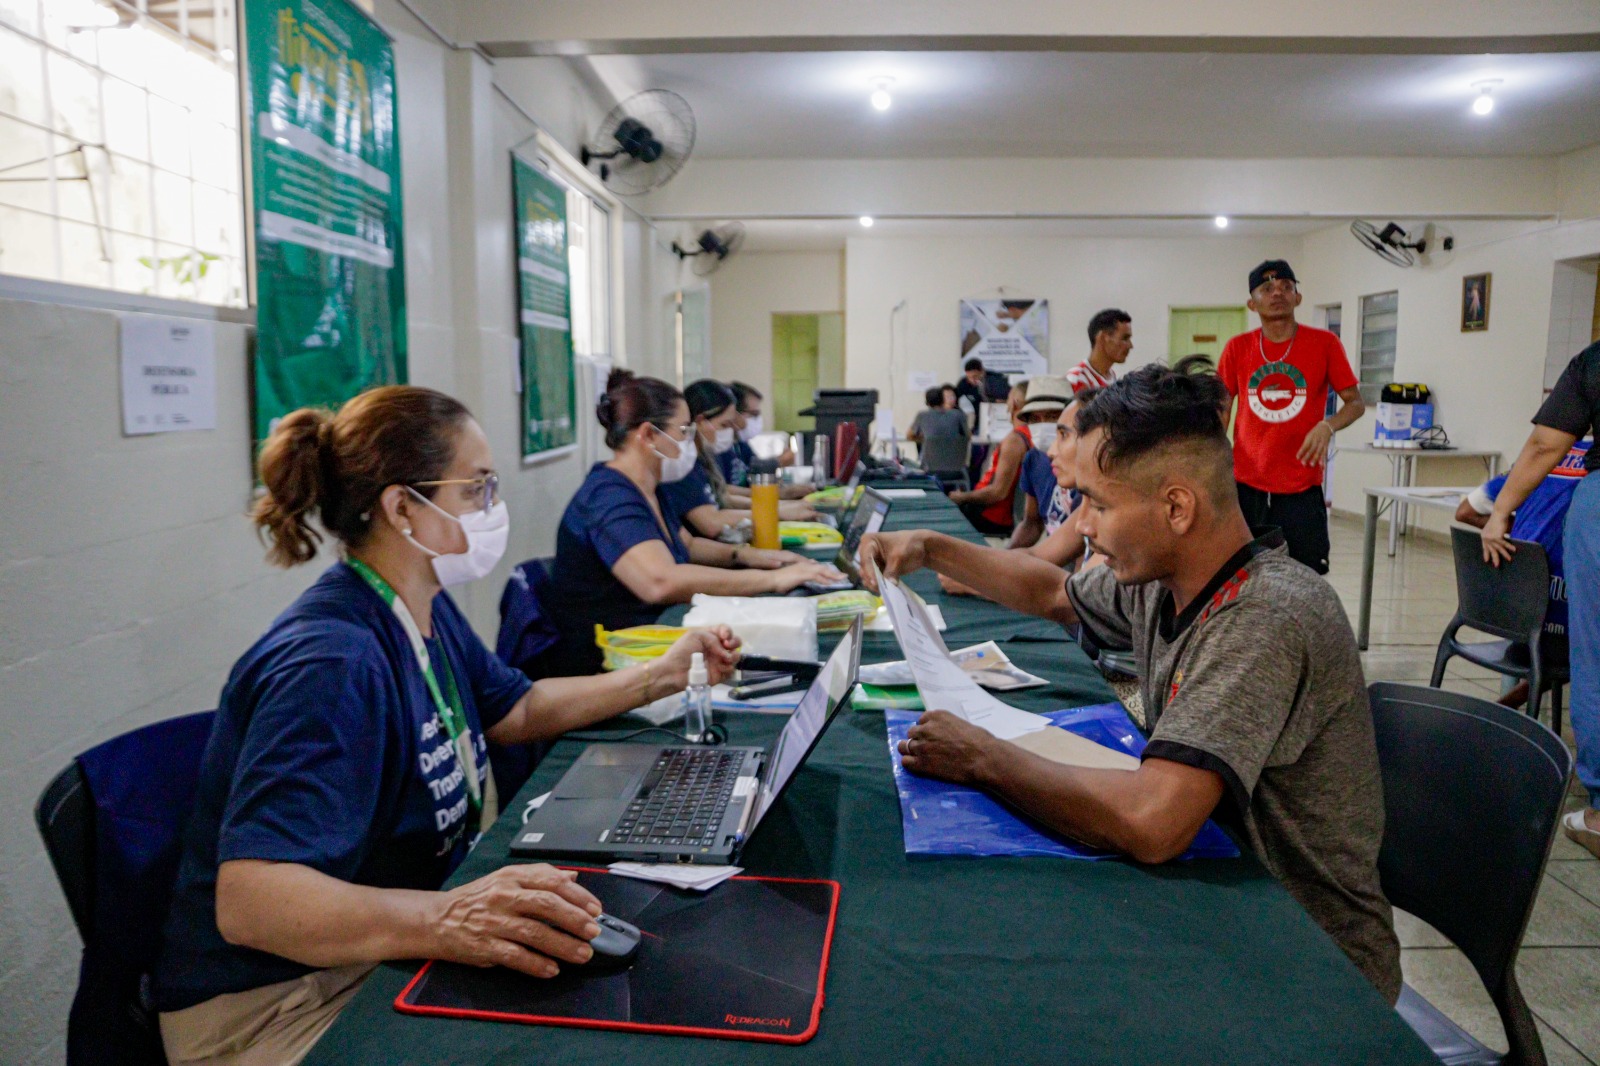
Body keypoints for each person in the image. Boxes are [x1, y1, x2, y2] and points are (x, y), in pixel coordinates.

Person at [153, 386, 744, 1065]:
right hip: (274, 1007)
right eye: (478, 488)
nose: (494, 507)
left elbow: (515, 709)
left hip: (369, 952)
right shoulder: (333, 661)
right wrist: (450, 919)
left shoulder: (419, 604)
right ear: (403, 507)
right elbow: (253, 902)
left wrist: (662, 675)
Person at [858, 360, 1402, 1002]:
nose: (1082, 525)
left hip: (1307, 961)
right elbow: (1055, 592)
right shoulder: (1170, 577)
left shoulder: (1262, 619)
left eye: (1098, 503)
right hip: (1222, 900)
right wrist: (931, 547)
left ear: (1176, 507)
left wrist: (983, 757)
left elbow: (1154, 822)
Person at [546, 371, 842, 676]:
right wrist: (771, 580)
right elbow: (660, 582)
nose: (692, 440)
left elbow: (686, 544)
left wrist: (759, 558)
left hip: (658, 641)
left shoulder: (647, 487)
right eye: (685, 430)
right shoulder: (608, 497)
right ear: (648, 435)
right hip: (615, 664)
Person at [1481, 341, 1600, 860]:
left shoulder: (1595, 361)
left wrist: (1501, 510)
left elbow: (1544, 445)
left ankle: (1599, 814)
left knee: (1595, 661)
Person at [1216, 260, 1365, 574]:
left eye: (1286, 287)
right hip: (1247, 482)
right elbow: (1221, 408)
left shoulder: (1325, 344)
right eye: (1267, 288)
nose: (1277, 293)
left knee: (1306, 574)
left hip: (1301, 483)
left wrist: (1328, 425)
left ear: (1298, 297)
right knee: (1241, 572)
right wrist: (1213, 459)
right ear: (1252, 303)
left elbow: (1355, 403)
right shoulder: (1237, 348)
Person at [1455, 438, 1590, 707]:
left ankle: (1505, 708)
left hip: (1511, 618)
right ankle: (1509, 707)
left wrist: (1517, 531)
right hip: (1561, 637)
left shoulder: (1539, 459)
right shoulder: (1593, 474)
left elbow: (1465, 511)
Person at [937, 388, 1094, 599]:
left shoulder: (1101, 508)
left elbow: (1071, 598)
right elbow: (1037, 551)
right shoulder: (1088, 503)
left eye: (1063, 434)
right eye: (1035, 419)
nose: (1051, 450)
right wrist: (982, 569)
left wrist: (977, 581)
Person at [664, 380, 817, 539]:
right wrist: (775, 510)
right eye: (725, 424)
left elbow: (721, 496)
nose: (735, 429)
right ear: (701, 421)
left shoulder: (700, 458)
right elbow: (711, 521)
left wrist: (779, 501)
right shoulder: (680, 465)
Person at [949, 382, 1030, 537]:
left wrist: (962, 497)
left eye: (1008, 398)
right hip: (990, 510)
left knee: (940, 515)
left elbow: (998, 493)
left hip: (990, 515)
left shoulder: (1014, 441)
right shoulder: (1028, 437)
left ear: (1014, 403)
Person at [1009, 375, 1072, 550]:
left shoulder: (1085, 462)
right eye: (1035, 419)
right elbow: (1032, 522)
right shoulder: (1033, 460)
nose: (1043, 425)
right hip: (1054, 552)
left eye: (1052, 416)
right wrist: (1007, 555)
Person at [1066, 309, 1133, 394]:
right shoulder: (1076, 379)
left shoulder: (1112, 378)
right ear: (1102, 338)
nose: (1130, 346)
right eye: (1124, 338)